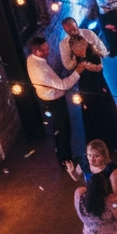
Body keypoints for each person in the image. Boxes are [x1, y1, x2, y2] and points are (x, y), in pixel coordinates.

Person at [66, 32, 117, 153]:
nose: (78, 49)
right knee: (92, 117)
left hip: (99, 87)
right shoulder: (76, 58)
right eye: (74, 47)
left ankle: (114, 143)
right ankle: (97, 147)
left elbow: (100, 67)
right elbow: (71, 68)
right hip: (85, 90)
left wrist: (90, 67)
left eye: (79, 45)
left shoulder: (93, 53)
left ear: (84, 43)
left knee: (106, 113)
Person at [27, 36, 82, 166]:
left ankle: (63, 158)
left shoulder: (31, 59)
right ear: (36, 50)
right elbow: (63, 85)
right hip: (54, 101)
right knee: (63, 130)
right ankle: (66, 161)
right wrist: (78, 71)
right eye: (45, 49)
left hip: (47, 99)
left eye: (47, 48)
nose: (48, 51)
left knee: (58, 130)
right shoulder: (42, 71)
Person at [65, 137, 117, 213]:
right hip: (96, 204)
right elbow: (78, 178)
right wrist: (73, 174)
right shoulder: (84, 163)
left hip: (113, 205)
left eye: (96, 156)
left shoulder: (111, 169)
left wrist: (112, 208)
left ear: (104, 156)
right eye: (89, 155)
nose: (91, 160)